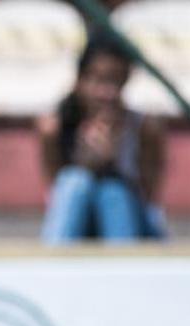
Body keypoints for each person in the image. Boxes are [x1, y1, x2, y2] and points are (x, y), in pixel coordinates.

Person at [36, 34, 166, 243]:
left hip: (131, 224)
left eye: (115, 81)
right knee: (75, 182)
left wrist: (114, 166)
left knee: (112, 193)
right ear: (80, 81)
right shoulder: (53, 128)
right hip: (79, 225)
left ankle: (125, 268)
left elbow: (149, 199)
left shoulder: (144, 128)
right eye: (98, 80)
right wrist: (86, 164)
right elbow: (57, 197)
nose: (107, 93)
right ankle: (55, 267)